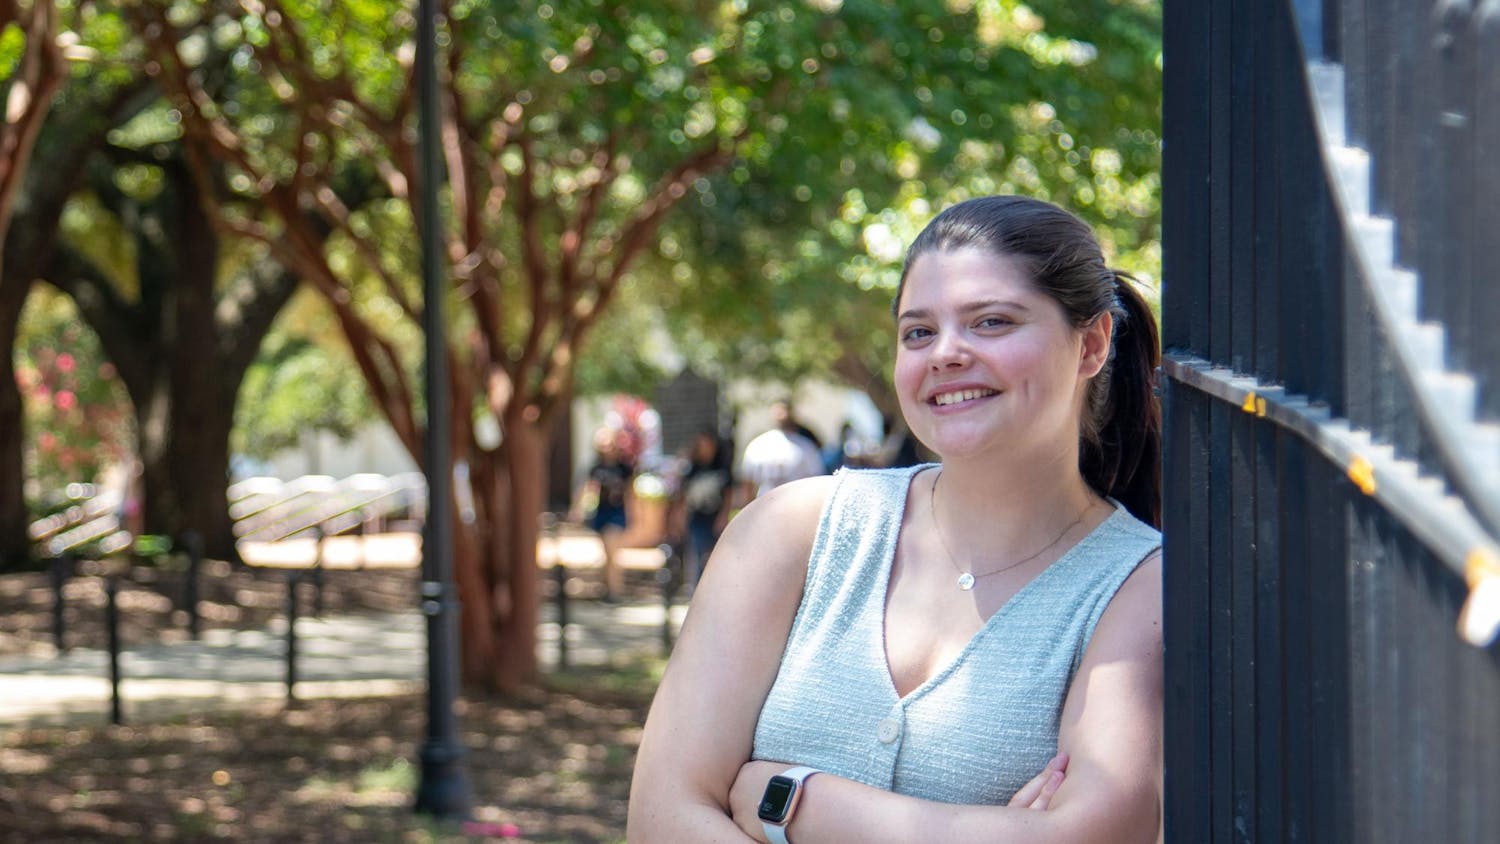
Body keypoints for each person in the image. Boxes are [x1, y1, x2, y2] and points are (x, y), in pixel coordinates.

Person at [628, 195, 1163, 843]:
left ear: (1092, 344)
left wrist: (795, 802)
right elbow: (661, 818)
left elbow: (1095, 836)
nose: (945, 353)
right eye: (918, 331)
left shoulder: (1143, 585)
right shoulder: (789, 532)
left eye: (991, 321)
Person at [575, 427, 634, 601]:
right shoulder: (595, 467)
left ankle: (615, 591)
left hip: (617, 512)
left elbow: (630, 494)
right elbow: (588, 489)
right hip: (602, 512)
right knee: (607, 552)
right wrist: (578, 509)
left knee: (612, 548)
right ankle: (609, 587)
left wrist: (633, 515)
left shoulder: (624, 468)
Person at [671, 431, 735, 586]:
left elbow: (728, 495)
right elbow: (682, 496)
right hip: (696, 517)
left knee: (716, 555)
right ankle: (696, 589)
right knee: (696, 554)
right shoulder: (691, 469)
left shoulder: (722, 469)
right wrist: (678, 518)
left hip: (715, 517)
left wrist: (723, 517)